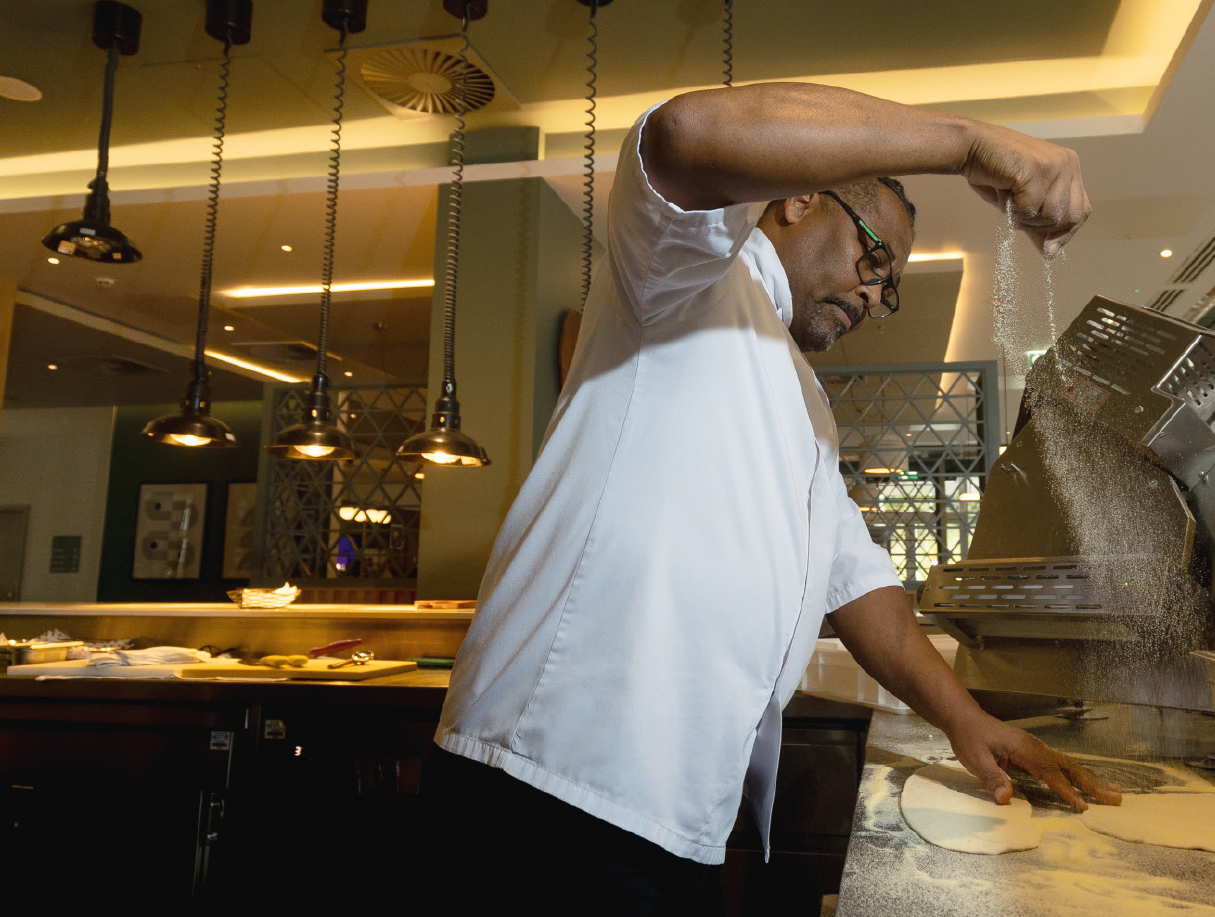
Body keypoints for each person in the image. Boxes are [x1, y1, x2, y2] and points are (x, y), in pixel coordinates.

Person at [423, 82, 1122, 912]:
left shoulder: (805, 406)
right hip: (552, 784)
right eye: (873, 258)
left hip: (675, 813)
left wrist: (968, 721)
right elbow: (683, 133)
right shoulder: (686, 278)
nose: (875, 295)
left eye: (890, 285)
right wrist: (969, 143)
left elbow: (860, 588)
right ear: (796, 200)